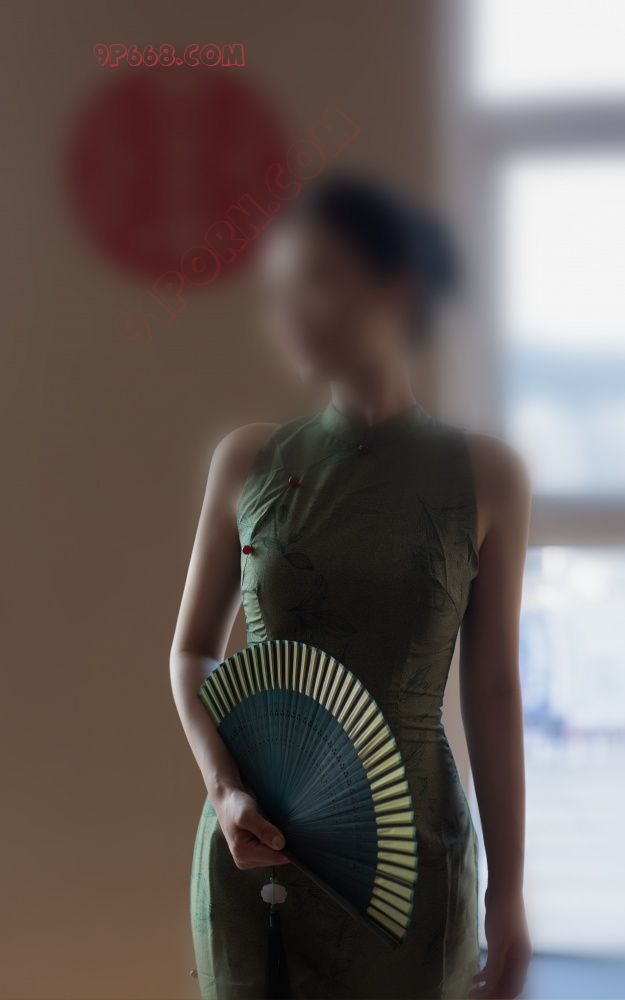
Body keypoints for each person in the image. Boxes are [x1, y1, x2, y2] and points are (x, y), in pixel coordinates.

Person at [170, 176, 532, 1000]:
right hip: (253, 839)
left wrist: (508, 893)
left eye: (316, 278)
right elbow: (191, 652)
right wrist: (222, 789)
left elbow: (493, 689)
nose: (289, 312)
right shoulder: (247, 459)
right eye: (278, 292)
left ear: (395, 285)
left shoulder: (486, 474)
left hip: (415, 849)